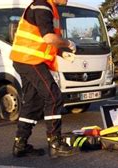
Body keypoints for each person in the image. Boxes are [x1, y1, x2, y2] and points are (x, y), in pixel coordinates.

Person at [10, 0, 77, 158]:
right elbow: (48, 38)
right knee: (53, 97)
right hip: (30, 60)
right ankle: (55, 143)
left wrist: (61, 53)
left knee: (33, 103)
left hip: (25, 60)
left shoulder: (45, 6)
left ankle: (20, 144)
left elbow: (42, 40)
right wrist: (68, 43)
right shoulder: (42, 5)